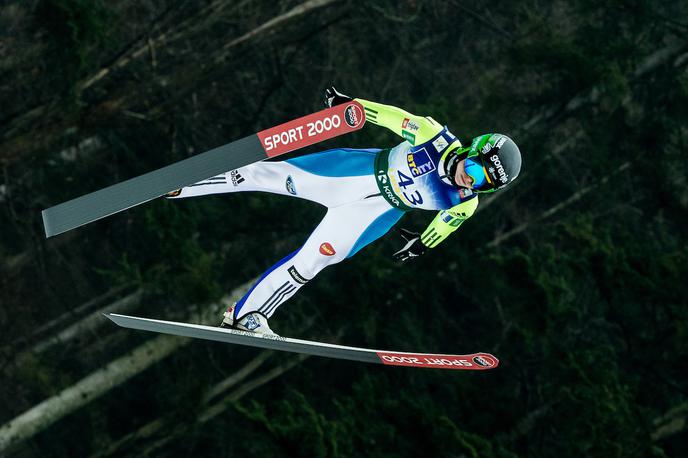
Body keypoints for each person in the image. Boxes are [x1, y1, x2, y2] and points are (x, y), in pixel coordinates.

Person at [166, 87, 522, 335]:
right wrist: (350, 108)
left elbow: (447, 224)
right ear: (473, 150)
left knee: (312, 262)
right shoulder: (434, 137)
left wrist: (422, 243)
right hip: (352, 174)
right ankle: (184, 184)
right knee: (268, 175)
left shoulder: (465, 200)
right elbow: (393, 118)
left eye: (484, 183)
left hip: (375, 215)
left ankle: (248, 315)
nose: (471, 180)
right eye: (475, 170)